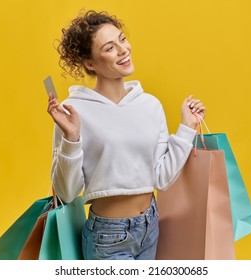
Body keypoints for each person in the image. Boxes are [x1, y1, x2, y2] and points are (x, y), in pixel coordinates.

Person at [47, 10, 206, 260]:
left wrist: (187, 127)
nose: (123, 50)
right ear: (90, 63)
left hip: (150, 227)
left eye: (122, 39)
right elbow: (66, 193)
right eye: (110, 47)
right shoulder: (73, 111)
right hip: (107, 237)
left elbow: (162, 178)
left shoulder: (149, 105)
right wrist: (71, 138)